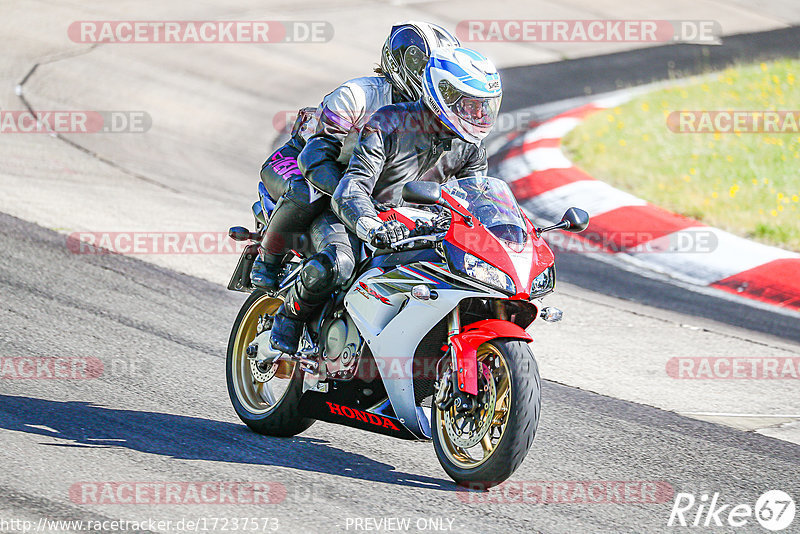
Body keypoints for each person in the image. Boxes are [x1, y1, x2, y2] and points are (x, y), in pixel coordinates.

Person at [269, 47, 502, 354]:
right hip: (354, 216)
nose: (479, 115)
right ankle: (290, 315)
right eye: (471, 105)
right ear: (444, 94)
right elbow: (354, 187)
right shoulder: (389, 123)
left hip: (418, 229)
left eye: (484, 106)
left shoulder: (470, 147)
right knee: (337, 265)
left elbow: (481, 200)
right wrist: (370, 223)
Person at [251, 21, 460, 290]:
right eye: (422, 67)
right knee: (307, 194)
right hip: (302, 161)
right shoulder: (356, 95)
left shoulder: (439, 116)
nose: (428, 77)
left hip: (359, 182)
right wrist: (359, 201)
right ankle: (267, 259)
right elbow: (315, 159)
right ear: (399, 62)